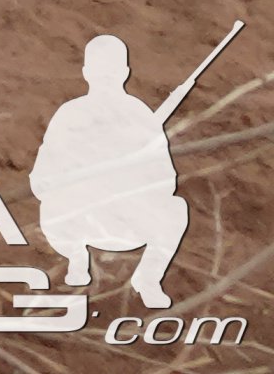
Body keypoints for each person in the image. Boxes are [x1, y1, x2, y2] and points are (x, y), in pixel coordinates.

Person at [30, 33, 196, 309]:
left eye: (110, 72)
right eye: (101, 72)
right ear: (87, 73)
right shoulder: (70, 114)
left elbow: (166, 181)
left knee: (176, 208)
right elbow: (42, 179)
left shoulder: (140, 116)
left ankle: (148, 278)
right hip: (78, 220)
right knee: (52, 203)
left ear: (124, 73)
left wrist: (129, 179)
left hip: (126, 220)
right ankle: (76, 258)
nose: (106, 78)